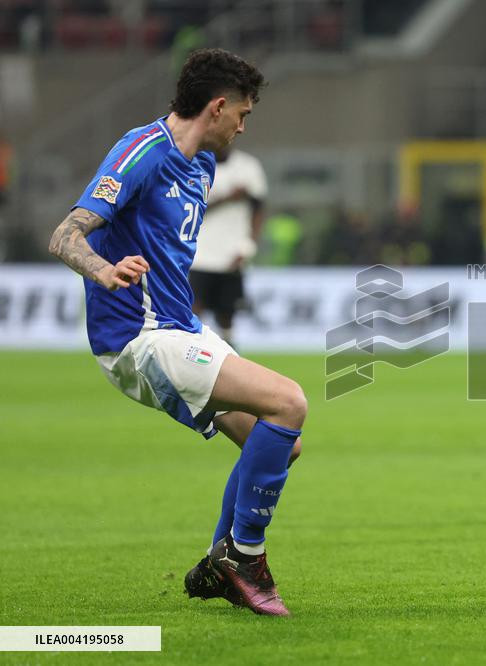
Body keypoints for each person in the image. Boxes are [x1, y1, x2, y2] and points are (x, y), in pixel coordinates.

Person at [47, 48, 304, 617]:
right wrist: (103, 270)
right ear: (217, 107)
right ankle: (243, 556)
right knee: (288, 401)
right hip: (138, 339)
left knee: (283, 443)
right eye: (243, 113)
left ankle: (222, 560)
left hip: (179, 326)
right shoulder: (139, 152)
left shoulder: (203, 165)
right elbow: (65, 235)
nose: (243, 123)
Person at [189, 144, 267, 346]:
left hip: (232, 254)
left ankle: (230, 353)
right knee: (195, 307)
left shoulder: (248, 167)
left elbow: (258, 209)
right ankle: (191, 350)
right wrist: (227, 197)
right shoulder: (194, 166)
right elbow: (189, 208)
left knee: (227, 313)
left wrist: (248, 245)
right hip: (199, 253)